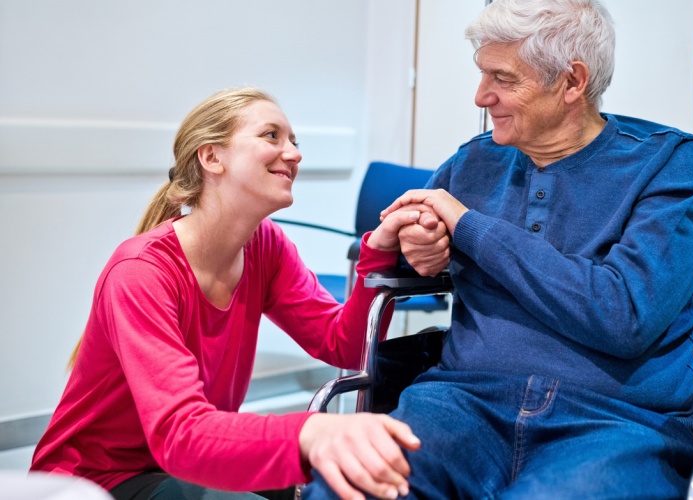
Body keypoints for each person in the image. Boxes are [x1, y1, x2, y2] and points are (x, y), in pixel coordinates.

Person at [303, 0, 693, 498]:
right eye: (482, 75)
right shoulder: (473, 163)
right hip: (462, 404)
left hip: (617, 423)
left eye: (503, 79)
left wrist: (470, 226)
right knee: (348, 487)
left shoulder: (671, 166)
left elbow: (624, 314)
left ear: (571, 82)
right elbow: (405, 252)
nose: (481, 97)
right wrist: (416, 244)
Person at [30, 87, 451, 500]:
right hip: (96, 481)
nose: (294, 153)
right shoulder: (140, 272)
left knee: (351, 485)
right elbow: (179, 434)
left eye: (294, 141)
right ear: (212, 157)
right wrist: (311, 431)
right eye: (272, 136)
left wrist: (375, 251)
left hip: (184, 461)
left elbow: (345, 345)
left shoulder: (265, 246)